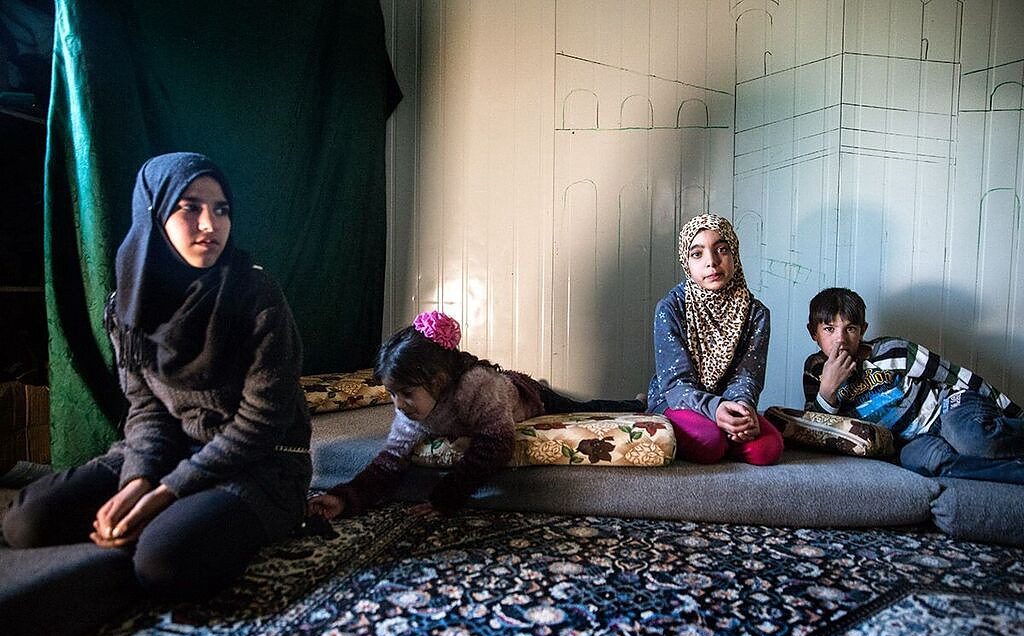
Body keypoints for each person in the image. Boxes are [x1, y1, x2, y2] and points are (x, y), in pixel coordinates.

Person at [2, 152, 312, 598]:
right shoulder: (128, 303)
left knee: (162, 562)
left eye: (221, 209)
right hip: (172, 447)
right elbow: (146, 409)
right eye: (190, 207)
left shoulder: (256, 295)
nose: (210, 224)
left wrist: (169, 491)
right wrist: (138, 480)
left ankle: (190, 521)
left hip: (261, 461)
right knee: (26, 522)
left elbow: (261, 425)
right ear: (153, 212)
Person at [307, 310, 644, 519]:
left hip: (525, 394)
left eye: (406, 394)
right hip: (493, 394)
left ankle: (640, 402)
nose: (398, 404)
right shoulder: (410, 413)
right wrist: (343, 498)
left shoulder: (478, 388)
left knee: (582, 408)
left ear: (438, 382)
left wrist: (445, 498)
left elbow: (495, 446)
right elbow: (389, 461)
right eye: (392, 394)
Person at [803, 287, 1023, 484]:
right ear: (814, 333)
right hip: (912, 439)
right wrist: (828, 389)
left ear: (862, 330)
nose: (840, 339)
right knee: (923, 461)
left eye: (850, 329)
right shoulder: (815, 370)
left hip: (948, 408)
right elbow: (816, 431)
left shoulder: (892, 350)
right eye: (829, 329)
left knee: (972, 440)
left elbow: (956, 376)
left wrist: (1016, 412)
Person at [645, 214, 783, 466]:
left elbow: (747, 377)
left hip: (729, 403)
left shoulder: (756, 313)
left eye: (722, 249)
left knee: (768, 449)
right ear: (686, 263)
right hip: (679, 400)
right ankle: (714, 434)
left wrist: (741, 409)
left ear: (735, 255)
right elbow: (676, 385)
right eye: (697, 254)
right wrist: (714, 409)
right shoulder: (671, 308)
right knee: (708, 443)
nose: (712, 262)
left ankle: (728, 432)